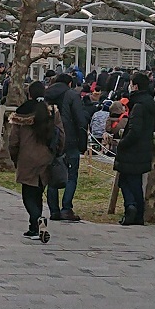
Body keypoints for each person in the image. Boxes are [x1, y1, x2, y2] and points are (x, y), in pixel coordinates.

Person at [6, 93, 59, 242]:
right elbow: (61, 135)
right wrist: (56, 153)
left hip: (27, 159)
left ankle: (37, 220)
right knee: (38, 192)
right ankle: (34, 228)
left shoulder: (21, 113)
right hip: (46, 158)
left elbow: (13, 142)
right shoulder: (52, 112)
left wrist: (15, 158)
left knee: (28, 195)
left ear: (29, 94)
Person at [111, 71, 155, 225]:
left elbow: (134, 131)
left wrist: (122, 143)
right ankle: (138, 214)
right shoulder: (150, 102)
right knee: (134, 181)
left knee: (127, 180)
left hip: (133, 149)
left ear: (135, 86)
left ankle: (131, 206)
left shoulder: (138, 105)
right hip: (144, 147)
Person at [50, 73, 92, 221]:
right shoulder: (72, 96)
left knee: (52, 175)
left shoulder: (47, 95)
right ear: (69, 84)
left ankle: (53, 210)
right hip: (70, 140)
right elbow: (80, 120)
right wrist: (82, 142)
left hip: (50, 141)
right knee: (71, 175)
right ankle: (66, 208)